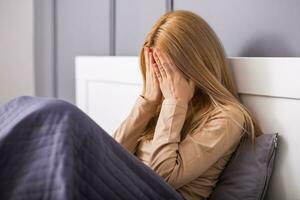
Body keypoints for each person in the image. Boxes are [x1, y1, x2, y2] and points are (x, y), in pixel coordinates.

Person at [0, 10, 262, 200]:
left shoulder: (228, 117)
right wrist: (147, 104)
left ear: (195, 67)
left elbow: (162, 178)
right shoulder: (158, 106)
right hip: (129, 189)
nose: (160, 78)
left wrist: (175, 102)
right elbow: (110, 155)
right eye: (156, 69)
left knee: (59, 117)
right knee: (34, 114)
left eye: (167, 70)